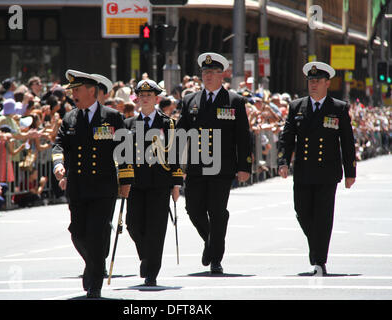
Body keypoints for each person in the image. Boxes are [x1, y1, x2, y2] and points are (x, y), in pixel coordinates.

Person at [52, 69, 133, 299]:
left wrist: (125, 180)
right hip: (77, 185)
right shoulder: (70, 118)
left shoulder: (112, 117)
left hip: (103, 187)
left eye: (77, 90)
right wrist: (59, 165)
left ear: (92, 91)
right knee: (77, 232)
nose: (73, 95)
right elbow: (58, 146)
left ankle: (94, 281)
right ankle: (95, 261)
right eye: (72, 91)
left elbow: (125, 151)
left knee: (97, 233)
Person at [277, 61, 356, 276]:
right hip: (303, 171)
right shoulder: (297, 107)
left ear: (327, 83)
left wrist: (350, 172)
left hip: (327, 172)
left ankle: (320, 259)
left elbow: (347, 142)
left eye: (317, 81)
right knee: (302, 212)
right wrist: (283, 161)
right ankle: (316, 245)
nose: (313, 84)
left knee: (323, 217)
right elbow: (287, 137)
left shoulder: (338, 108)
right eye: (310, 81)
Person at [176, 52, 252, 274]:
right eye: (205, 72)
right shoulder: (190, 100)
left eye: (212, 72)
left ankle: (215, 258)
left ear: (222, 75)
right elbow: (181, 132)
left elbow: (242, 136)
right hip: (197, 165)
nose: (207, 76)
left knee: (217, 211)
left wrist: (244, 166)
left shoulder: (234, 101)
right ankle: (211, 240)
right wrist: (174, 164)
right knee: (193, 209)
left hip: (222, 166)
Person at [124, 79, 183, 286]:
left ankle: (152, 272)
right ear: (137, 99)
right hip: (136, 184)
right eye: (141, 96)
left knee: (156, 229)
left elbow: (175, 154)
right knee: (133, 225)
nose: (145, 99)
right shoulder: (129, 124)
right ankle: (146, 256)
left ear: (156, 99)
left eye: (149, 96)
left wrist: (176, 184)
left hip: (160, 183)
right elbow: (123, 156)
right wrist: (123, 181)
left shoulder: (167, 123)